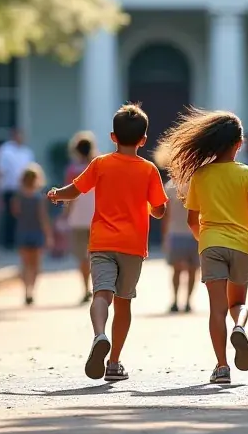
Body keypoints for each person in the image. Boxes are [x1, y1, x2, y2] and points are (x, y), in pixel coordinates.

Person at [159, 109, 248, 386]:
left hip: (211, 244)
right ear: (239, 144)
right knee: (237, 304)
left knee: (216, 309)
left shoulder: (201, 175)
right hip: (242, 246)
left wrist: (203, 240)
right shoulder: (247, 173)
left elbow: (192, 220)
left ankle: (222, 366)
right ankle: (239, 326)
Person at [48, 104, 167, 383]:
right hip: (132, 246)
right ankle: (114, 362)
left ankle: (99, 334)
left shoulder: (100, 164)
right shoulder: (149, 170)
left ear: (113, 137)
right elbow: (160, 210)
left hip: (102, 242)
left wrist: (56, 194)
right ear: (143, 140)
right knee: (123, 303)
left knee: (101, 294)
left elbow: (75, 190)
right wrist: (149, 207)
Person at [64, 131, 97, 304]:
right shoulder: (98, 167)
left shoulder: (72, 170)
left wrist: (65, 214)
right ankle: (98, 287)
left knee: (82, 257)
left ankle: (86, 288)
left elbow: (70, 195)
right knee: (97, 255)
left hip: (78, 218)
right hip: (97, 216)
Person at [13, 162, 51, 305]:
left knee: (25, 264)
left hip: (22, 231)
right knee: (35, 265)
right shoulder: (39, 197)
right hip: (37, 232)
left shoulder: (18, 196)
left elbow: (15, 212)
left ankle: (26, 290)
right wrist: (48, 235)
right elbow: (43, 217)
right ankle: (32, 291)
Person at [163, 175, 198, 314]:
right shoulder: (199, 183)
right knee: (192, 270)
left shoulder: (170, 185)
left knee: (178, 270)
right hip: (194, 233)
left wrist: (165, 235)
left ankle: (177, 301)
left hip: (176, 233)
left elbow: (166, 214)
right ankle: (186, 302)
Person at [0, 129, 35, 250]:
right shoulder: (5, 151)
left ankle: (23, 241)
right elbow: (1, 170)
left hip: (24, 189)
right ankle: (8, 242)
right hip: (10, 188)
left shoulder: (27, 152)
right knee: (9, 216)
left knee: (24, 215)